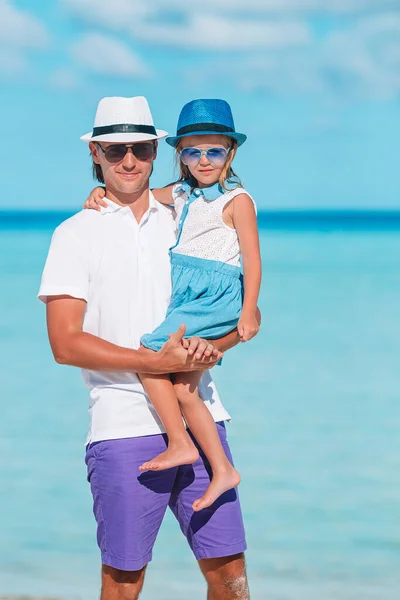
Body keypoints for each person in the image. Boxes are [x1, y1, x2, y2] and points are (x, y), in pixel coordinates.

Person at [38, 96, 255, 600]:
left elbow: (238, 307)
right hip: (121, 428)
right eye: (115, 150)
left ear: (159, 152)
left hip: (202, 415)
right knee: (123, 583)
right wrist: (152, 362)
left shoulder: (189, 214)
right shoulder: (74, 233)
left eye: (139, 148)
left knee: (230, 576)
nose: (129, 160)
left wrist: (215, 347)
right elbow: (64, 343)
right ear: (96, 153)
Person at [84, 98, 261, 512]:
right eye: (192, 152)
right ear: (179, 155)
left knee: (150, 352)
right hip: (190, 293)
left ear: (230, 152)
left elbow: (252, 258)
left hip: (214, 296)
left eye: (214, 151)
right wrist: (99, 191)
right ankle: (222, 470)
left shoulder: (237, 200)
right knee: (183, 387)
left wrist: (249, 309)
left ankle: (181, 442)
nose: (203, 160)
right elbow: (134, 194)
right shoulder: (181, 194)